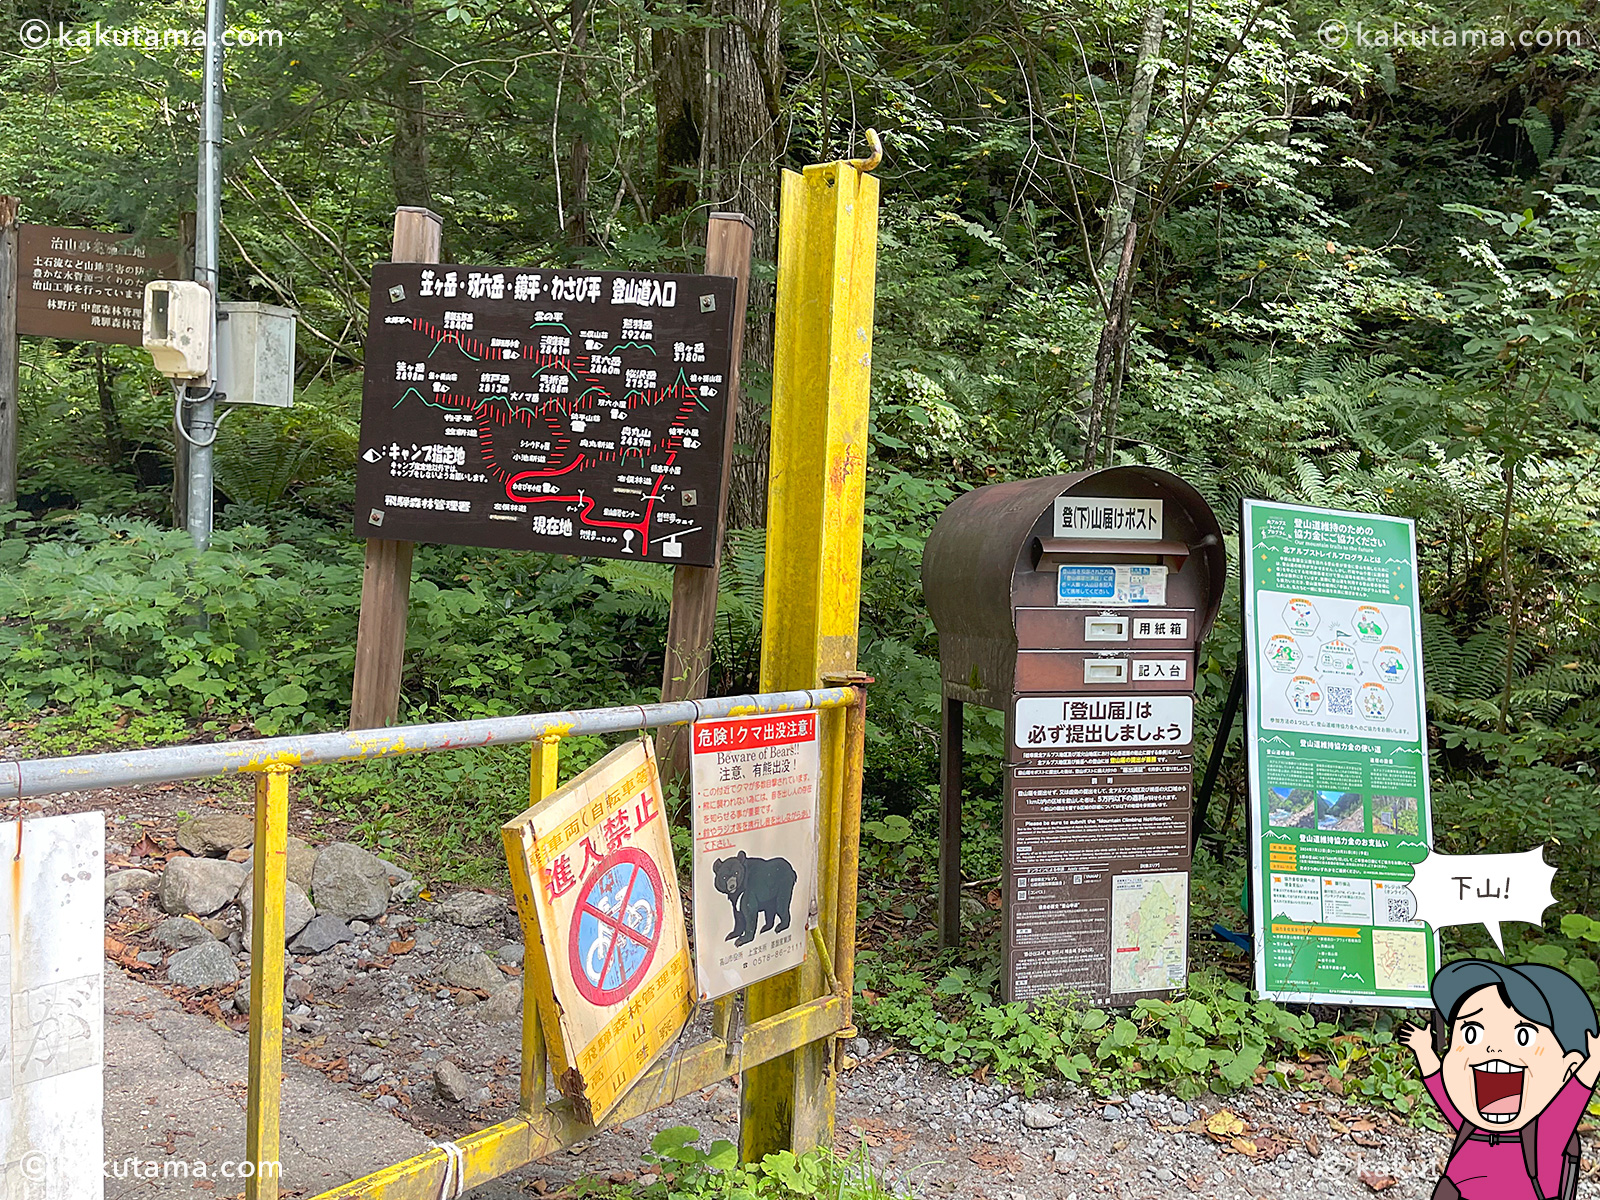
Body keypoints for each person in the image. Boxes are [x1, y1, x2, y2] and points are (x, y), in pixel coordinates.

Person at [1402, 959, 1600, 1200]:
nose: (1493, 1049)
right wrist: (1423, 1051)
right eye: (1472, 1033)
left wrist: (1593, 1065)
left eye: (1523, 1036)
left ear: (1569, 1069)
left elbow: (1572, 1099)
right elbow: (1444, 1096)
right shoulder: (1471, 1126)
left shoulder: (1546, 1135)